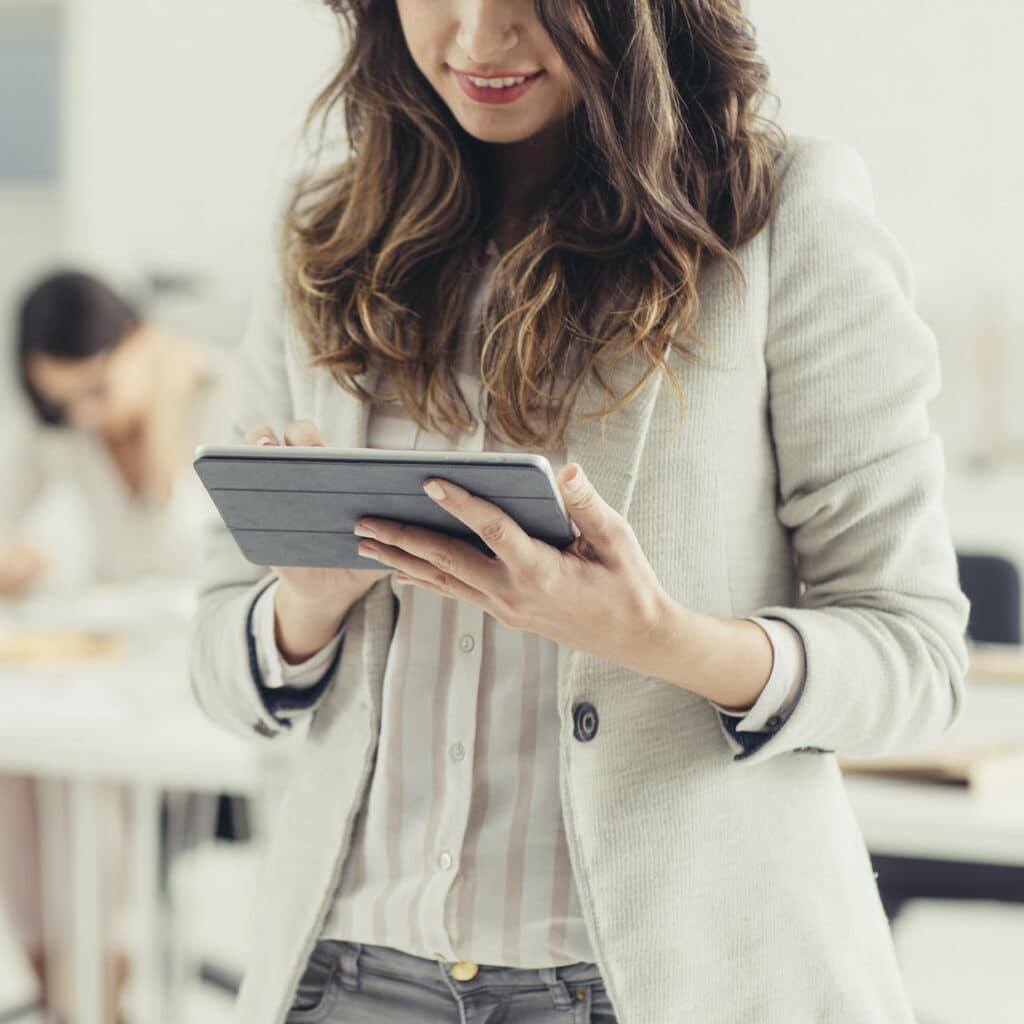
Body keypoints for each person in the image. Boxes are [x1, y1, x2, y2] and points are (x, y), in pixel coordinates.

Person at [189, 1, 970, 1021]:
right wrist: (306, 609)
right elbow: (215, 656)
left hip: (653, 981)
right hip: (344, 979)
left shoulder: (782, 211)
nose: (476, 41)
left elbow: (914, 656)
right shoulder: (323, 231)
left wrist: (661, 640)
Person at [0, 269, 228, 1021]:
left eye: (97, 389)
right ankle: (64, 986)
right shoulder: (65, 427)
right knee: (18, 765)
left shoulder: (216, 394)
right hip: (109, 674)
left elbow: (194, 553)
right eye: (64, 402)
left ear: (141, 343)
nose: (87, 416)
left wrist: (164, 413)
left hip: (200, 682)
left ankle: (106, 985)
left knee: (86, 773)